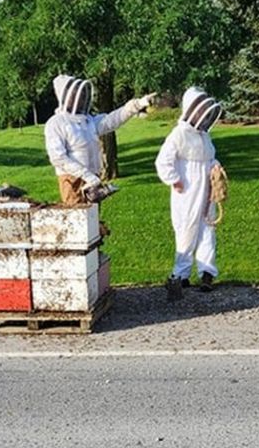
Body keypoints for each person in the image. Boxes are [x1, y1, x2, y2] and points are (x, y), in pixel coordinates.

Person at [44, 74, 155, 205]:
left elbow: (112, 120)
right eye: (77, 94)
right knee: (77, 216)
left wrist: (137, 104)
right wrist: (86, 175)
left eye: (83, 95)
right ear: (65, 96)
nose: (81, 98)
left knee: (93, 216)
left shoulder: (88, 121)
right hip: (72, 180)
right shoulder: (56, 123)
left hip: (93, 179)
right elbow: (58, 158)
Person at [156, 87, 223, 300]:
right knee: (186, 229)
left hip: (206, 189)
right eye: (199, 109)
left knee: (207, 229)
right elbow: (163, 161)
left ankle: (207, 273)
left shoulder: (205, 136)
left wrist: (216, 168)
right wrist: (174, 179)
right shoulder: (178, 134)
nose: (202, 114)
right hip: (187, 189)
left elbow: (209, 157)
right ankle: (181, 274)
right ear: (191, 109)